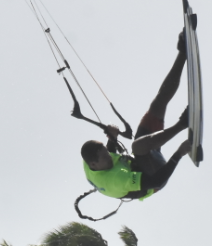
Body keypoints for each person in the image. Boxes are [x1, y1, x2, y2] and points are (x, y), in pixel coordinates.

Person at [80, 32, 192, 201]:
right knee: (138, 147)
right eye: (104, 157)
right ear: (94, 165)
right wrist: (179, 153)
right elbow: (158, 180)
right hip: (153, 180)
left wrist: (112, 138)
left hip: (140, 163)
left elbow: (108, 151)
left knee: (156, 107)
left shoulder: (92, 162)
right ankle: (183, 123)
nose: (109, 156)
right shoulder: (116, 181)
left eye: (106, 152)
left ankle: (182, 53)